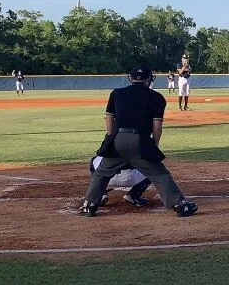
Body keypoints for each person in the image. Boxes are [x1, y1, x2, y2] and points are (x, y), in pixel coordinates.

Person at [79, 66, 198, 218]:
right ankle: (180, 205)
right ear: (149, 79)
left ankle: (89, 206)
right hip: (139, 140)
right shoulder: (156, 97)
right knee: (159, 173)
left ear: (132, 78)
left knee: (101, 173)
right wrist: (154, 145)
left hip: (118, 139)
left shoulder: (117, 93)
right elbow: (157, 124)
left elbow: (109, 117)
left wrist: (110, 138)